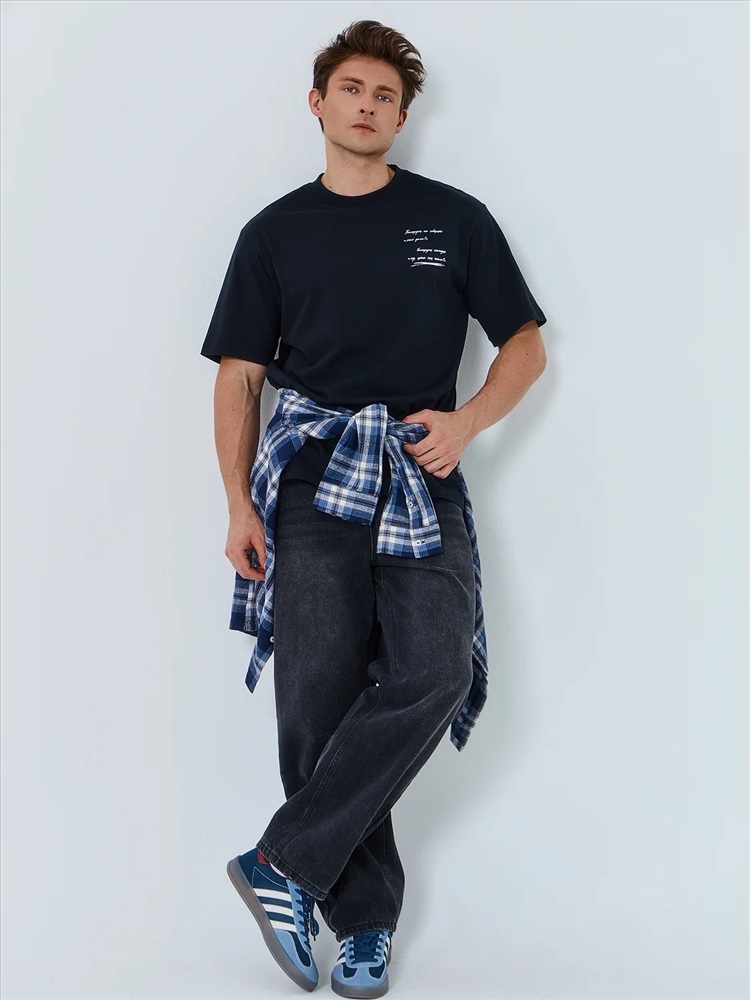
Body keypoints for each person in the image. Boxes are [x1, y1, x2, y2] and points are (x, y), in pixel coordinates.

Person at [200, 18, 547, 997]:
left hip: (419, 468)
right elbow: (239, 379)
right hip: (311, 482)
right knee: (314, 703)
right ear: (319, 104)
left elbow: (524, 344)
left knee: (434, 669)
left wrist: (469, 421)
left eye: (385, 95)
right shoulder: (272, 234)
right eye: (351, 89)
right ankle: (362, 927)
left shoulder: (454, 220)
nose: (367, 106)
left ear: (401, 116)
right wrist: (238, 505)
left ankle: (281, 863)